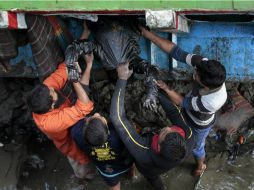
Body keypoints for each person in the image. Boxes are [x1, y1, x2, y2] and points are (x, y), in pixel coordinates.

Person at [140, 26, 227, 176]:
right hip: (189, 106)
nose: (194, 73)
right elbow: (177, 52)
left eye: (197, 76)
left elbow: (182, 102)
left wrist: (166, 89)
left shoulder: (212, 101)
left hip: (199, 123)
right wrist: (149, 35)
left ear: (206, 85)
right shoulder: (204, 65)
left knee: (197, 146)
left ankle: (200, 166)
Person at [110, 62, 194, 190]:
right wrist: (154, 93)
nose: (167, 128)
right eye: (172, 129)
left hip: (148, 167)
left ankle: (136, 174)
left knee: (151, 176)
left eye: (164, 133)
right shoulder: (188, 136)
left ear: (159, 147)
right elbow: (173, 111)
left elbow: (117, 118)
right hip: (167, 164)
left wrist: (122, 79)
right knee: (155, 179)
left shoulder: (143, 151)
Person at [26, 49, 95, 180]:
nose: (52, 88)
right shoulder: (51, 123)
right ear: (51, 106)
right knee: (80, 161)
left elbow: (63, 70)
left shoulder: (45, 90)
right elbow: (85, 108)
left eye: (50, 89)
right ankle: (84, 177)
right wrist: (75, 81)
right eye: (53, 92)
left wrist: (78, 47)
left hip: (68, 127)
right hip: (67, 143)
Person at [71, 113, 134, 190]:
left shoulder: (77, 134)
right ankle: (131, 176)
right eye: (100, 117)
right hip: (124, 163)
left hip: (107, 170)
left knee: (114, 185)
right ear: (107, 129)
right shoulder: (118, 135)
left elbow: (75, 121)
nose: (96, 113)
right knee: (129, 168)